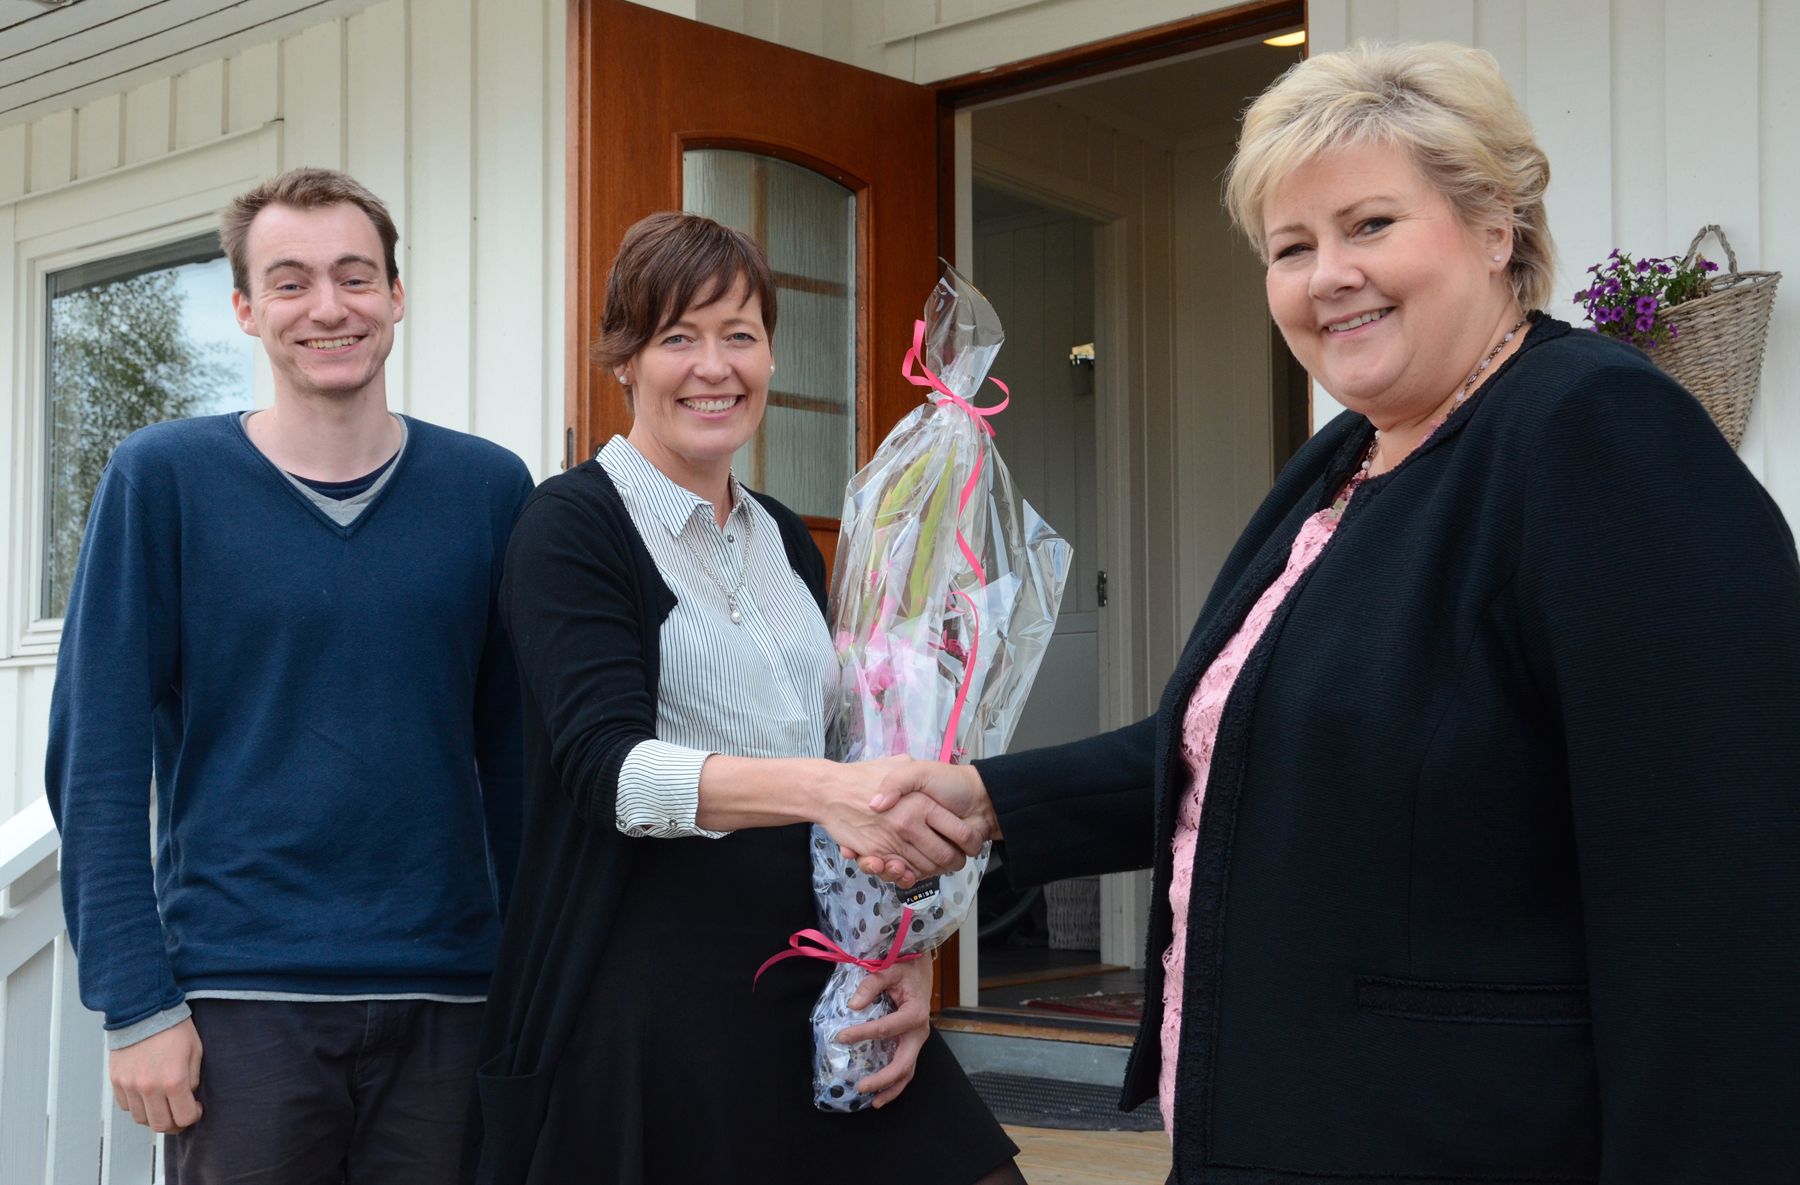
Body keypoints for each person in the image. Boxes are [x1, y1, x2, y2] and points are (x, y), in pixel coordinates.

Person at [864, 41, 1800, 1184]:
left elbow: (1722, 902)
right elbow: (1243, 745)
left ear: (1495, 227)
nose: (1327, 276)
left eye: (1369, 226)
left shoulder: (1596, 435)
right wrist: (987, 797)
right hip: (1264, 1130)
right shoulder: (1343, 463)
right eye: (1290, 247)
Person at [465, 211, 1023, 1185]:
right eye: (677, 336)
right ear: (624, 361)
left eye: (741, 335)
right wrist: (824, 791)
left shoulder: (782, 537)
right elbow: (606, 773)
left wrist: (901, 946)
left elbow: (854, 748)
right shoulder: (571, 528)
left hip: (817, 959)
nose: (713, 366)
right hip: (653, 986)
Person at [46, 167, 533, 1184]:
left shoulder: (487, 490)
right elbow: (96, 763)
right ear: (245, 309)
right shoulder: (162, 481)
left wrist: (537, 985)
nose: (328, 307)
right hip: (241, 1007)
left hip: (451, 1000)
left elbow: (519, 766)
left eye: (356, 277)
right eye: (291, 282)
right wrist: (136, 1001)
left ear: (396, 297)